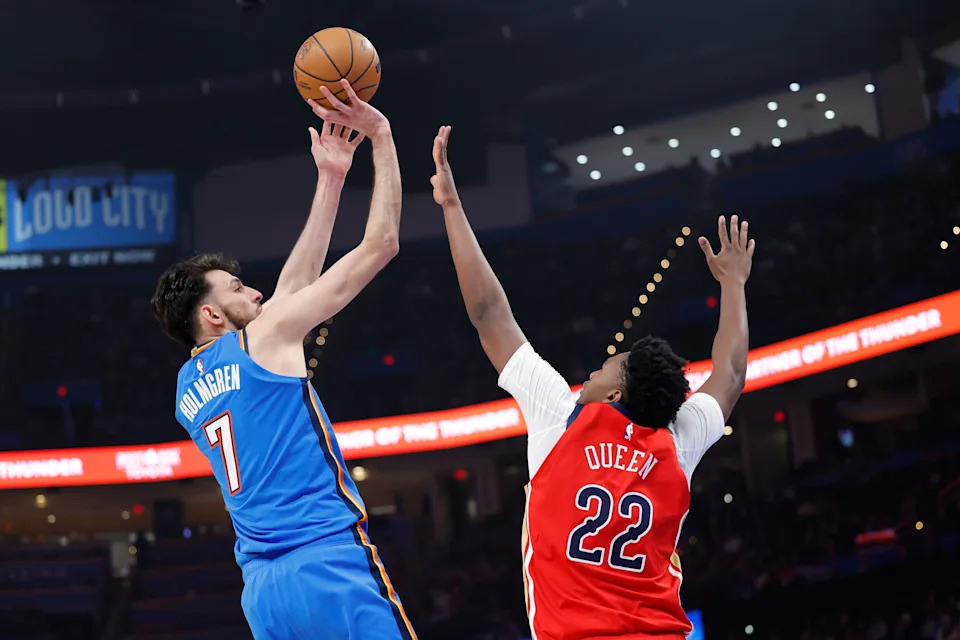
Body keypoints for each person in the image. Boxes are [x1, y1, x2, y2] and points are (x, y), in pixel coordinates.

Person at [430, 125, 754, 640]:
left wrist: (450, 206)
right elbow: (731, 374)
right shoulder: (676, 438)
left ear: (617, 393)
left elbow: (489, 312)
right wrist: (734, 285)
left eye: (605, 368)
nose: (590, 374)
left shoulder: (560, 418)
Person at [150, 81, 415, 640]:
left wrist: (331, 178)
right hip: (327, 561)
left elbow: (293, 287)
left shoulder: (186, 387)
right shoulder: (261, 340)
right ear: (213, 315)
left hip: (264, 594)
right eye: (238, 288)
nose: (256, 295)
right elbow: (383, 242)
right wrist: (382, 137)